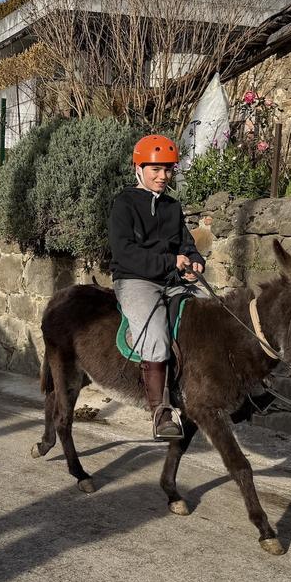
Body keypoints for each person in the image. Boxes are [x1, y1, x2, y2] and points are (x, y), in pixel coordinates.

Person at [108, 134, 206, 440]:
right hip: (135, 280)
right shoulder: (124, 204)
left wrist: (194, 262)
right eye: (156, 169)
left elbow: (186, 245)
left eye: (168, 170)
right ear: (138, 168)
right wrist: (170, 262)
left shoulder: (172, 207)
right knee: (156, 336)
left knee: (211, 314)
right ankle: (161, 412)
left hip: (172, 280)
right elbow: (125, 252)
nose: (163, 176)